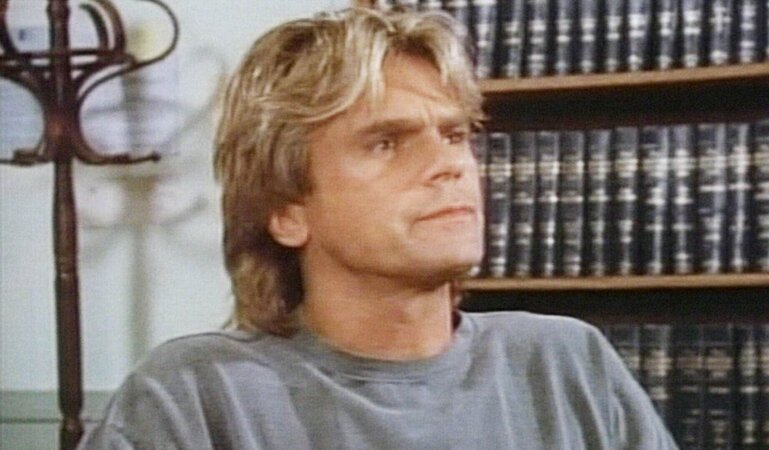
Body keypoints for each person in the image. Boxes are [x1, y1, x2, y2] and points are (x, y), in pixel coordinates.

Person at [79, 7, 677, 449]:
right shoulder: (196, 397)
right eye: (387, 143)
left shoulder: (565, 364)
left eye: (454, 135)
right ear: (287, 211)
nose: (449, 165)